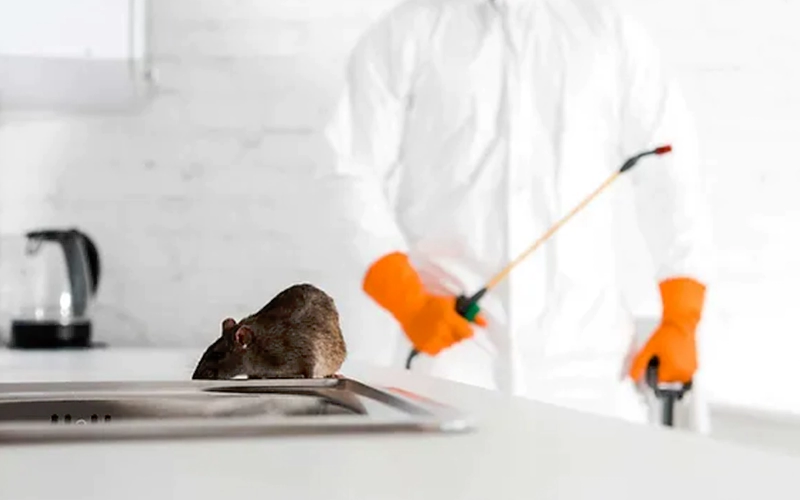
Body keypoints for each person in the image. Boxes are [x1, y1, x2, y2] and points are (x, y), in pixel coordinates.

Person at [322, 0, 712, 425]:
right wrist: (406, 299)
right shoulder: (409, 32)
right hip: (452, 354)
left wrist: (681, 317)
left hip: (590, 364)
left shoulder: (610, 34)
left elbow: (671, 172)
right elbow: (346, 168)